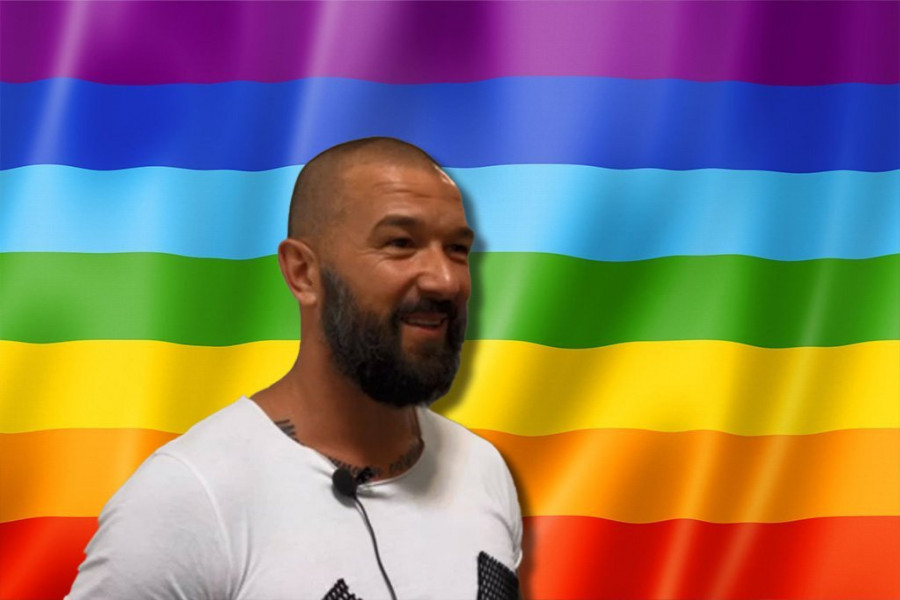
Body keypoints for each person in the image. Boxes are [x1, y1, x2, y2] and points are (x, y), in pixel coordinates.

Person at [67, 137, 523, 599]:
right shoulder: (190, 497)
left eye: (457, 249)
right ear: (303, 273)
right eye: (401, 244)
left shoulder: (481, 470)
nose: (445, 280)